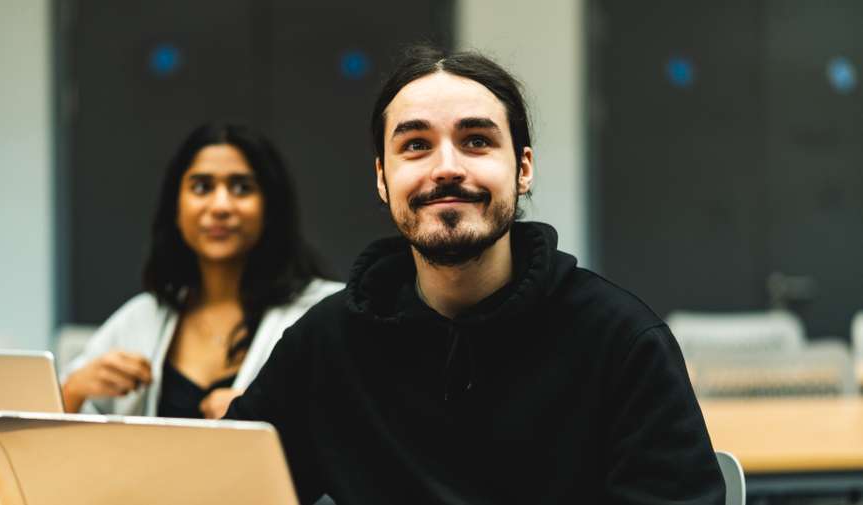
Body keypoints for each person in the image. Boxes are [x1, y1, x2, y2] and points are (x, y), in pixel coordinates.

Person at [225, 47, 725, 504]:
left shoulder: (622, 341)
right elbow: (221, 489)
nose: (446, 167)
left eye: (476, 141)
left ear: (523, 168)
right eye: (416, 145)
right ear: (382, 177)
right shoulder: (326, 342)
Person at [61, 122, 343, 419]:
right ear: (176, 209)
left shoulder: (323, 313)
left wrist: (267, 412)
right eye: (201, 187)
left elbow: (361, 429)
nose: (220, 205)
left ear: (270, 207)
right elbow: (48, 440)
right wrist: (74, 390)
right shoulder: (141, 318)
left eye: (241, 188)